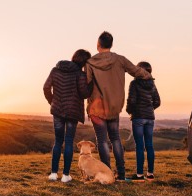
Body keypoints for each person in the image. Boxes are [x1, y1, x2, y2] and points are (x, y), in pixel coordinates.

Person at [86, 31, 152, 181]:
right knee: (115, 138)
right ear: (111, 44)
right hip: (115, 106)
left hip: (97, 108)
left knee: (102, 140)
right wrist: (148, 76)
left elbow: (87, 86)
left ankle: (107, 173)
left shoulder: (90, 63)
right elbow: (137, 71)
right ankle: (121, 174)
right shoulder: (120, 60)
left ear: (98, 44)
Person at [43, 49, 91, 183]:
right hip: (72, 112)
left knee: (58, 141)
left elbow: (46, 87)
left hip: (58, 110)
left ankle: (53, 174)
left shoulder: (55, 70)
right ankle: (65, 176)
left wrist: (53, 101)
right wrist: (91, 83)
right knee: (69, 141)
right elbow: (84, 94)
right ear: (84, 62)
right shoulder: (80, 75)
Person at [126, 61, 161, 182]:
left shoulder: (134, 84)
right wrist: (149, 110)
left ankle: (140, 175)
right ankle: (150, 174)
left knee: (140, 146)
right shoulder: (152, 84)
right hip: (150, 118)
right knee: (149, 145)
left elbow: (132, 101)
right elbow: (157, 102)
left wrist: (130, 111)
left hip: (138, 117)